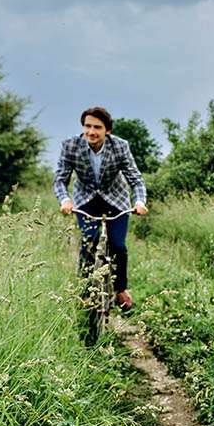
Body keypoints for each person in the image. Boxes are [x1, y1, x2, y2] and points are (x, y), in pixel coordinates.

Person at [54, 106, 148, 311]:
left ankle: (121, 289)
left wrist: (140, 202)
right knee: (89, 243)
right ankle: (85, 290)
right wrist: (65, 200)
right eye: (87, 126)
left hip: (116, 200)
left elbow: (136, 179)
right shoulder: (71, 146)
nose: (91, 132)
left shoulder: (120, 146)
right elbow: (60, 180)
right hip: (86, 200)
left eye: (97, 127)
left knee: (118, 246)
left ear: (108, 130)